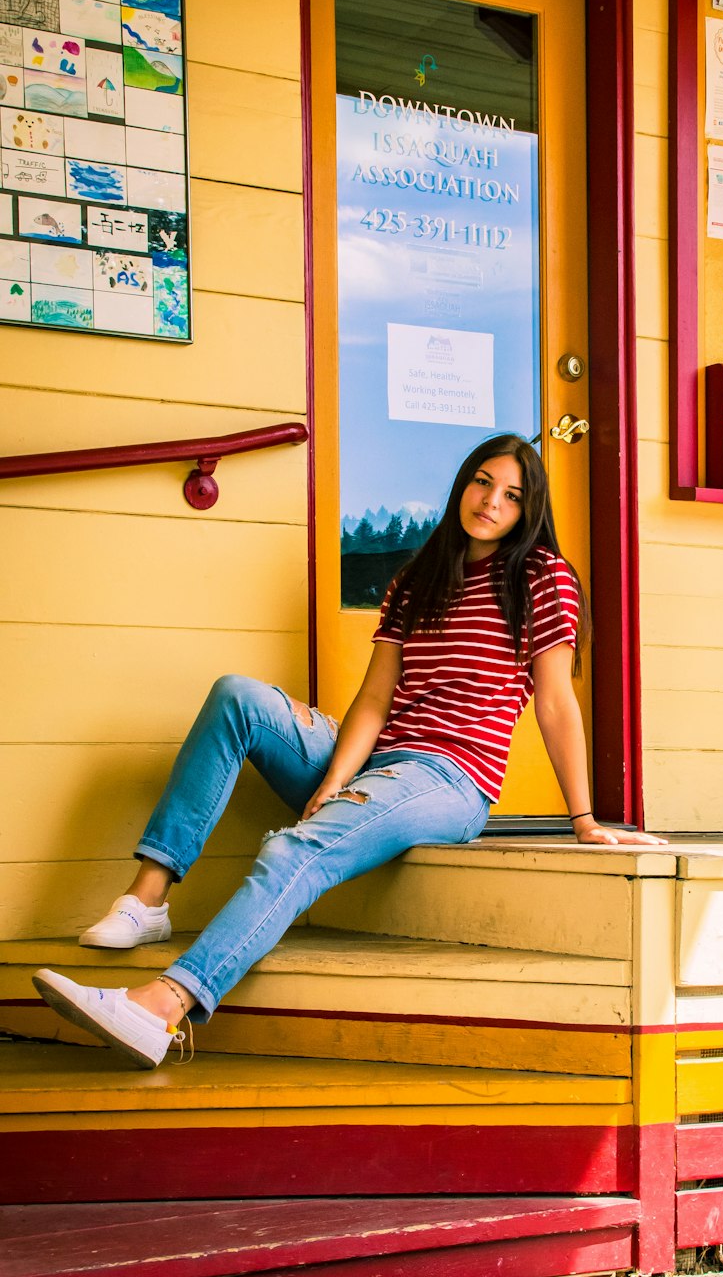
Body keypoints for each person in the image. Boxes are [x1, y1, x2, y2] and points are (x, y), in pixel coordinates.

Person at [33, 433, 664, 1070]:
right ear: (462, 485)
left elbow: (555, 702)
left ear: (529, 511)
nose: (491, 501)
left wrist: (584, 820)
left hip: (450, 778)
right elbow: (373, 699)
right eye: (481, 482)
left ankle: (162, 1006)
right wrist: (336, 778)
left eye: (512, 495)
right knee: (239, 698)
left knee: (291, 848)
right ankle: (148, 900)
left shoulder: (542, 576)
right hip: (378, 755)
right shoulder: (417, 579)